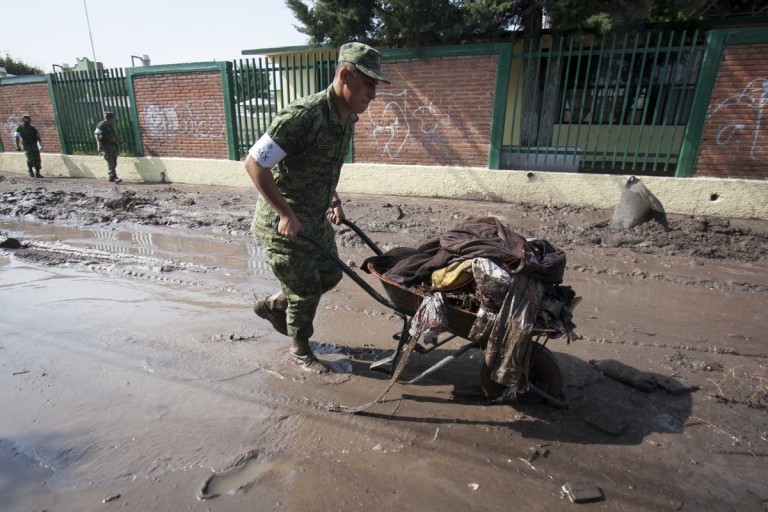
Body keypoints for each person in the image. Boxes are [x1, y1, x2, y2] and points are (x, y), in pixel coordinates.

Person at [245, 42, 390, 373]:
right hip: (283, 222)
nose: (373, 93)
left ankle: (276, 305)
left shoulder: (346, 120)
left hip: (314, 216)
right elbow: (254, 164)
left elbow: (323, 166)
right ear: (345, 75)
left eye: (376, 85)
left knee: (330, 274)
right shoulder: (302, 116)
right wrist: (285, 214)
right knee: (305, 290)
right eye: (368, 83)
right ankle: (300, 351)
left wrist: (334, 200)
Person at [94, 112, 122, 183]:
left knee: (114, 162)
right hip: (106, 147)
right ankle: (114, 177)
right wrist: (98, 143)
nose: (113, 120)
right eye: (112, 119)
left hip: (113, 146)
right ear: (109, 118)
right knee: (111, 162)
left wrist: (120, 141)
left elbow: (113, 135)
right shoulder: (101, 125)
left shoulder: (109, 125)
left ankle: (111, 177)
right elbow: (96, 134)